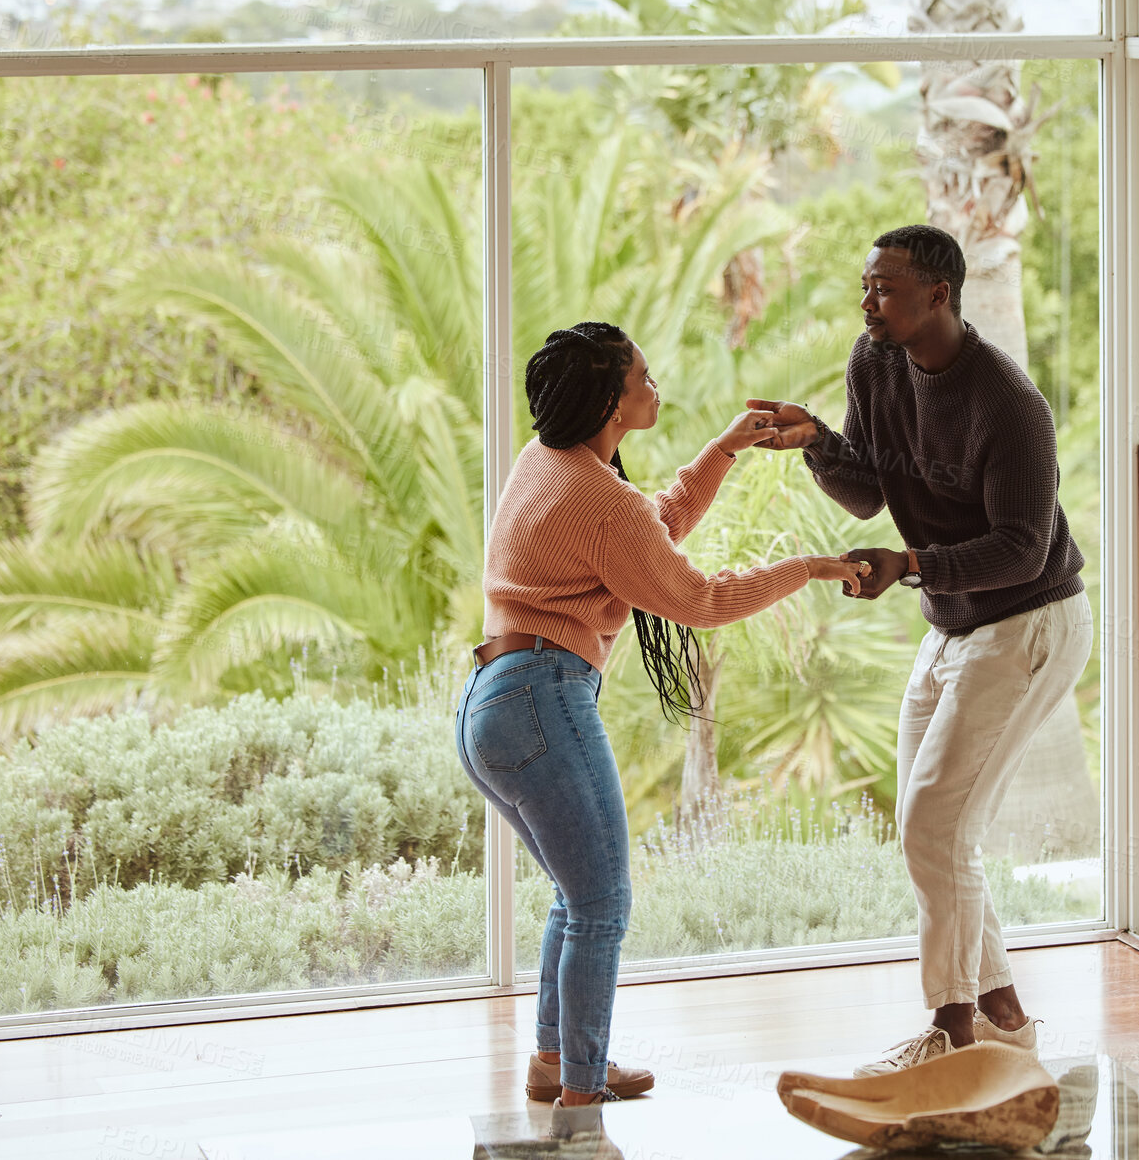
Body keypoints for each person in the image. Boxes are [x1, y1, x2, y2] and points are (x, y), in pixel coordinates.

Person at [456, 321, 869, 1108]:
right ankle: (581, 1102)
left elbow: (651, 529)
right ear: (613, 400)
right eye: (643, 378)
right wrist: (813, 566)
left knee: (576, 899)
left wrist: (724, 448)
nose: (655, 386)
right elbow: (700, 599)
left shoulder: (544, 464)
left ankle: (557, 1063)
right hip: (545, 695)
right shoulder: (600, 499)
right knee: (602, 905)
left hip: (491, 703)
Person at [749, 225, 1092, 1075]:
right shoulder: (875, 363)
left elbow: (1021, 545)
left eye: (886, 290)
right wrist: (818, 444)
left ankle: (952, 1033)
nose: (868, 302)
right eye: (866, 286)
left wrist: (912, 564)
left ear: (939, 295)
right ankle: (1005, 1019)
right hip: (953, 621)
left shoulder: (1009, 405)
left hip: (1029, 621)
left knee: (932, 825)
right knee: (939, 832)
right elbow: (869, 490)